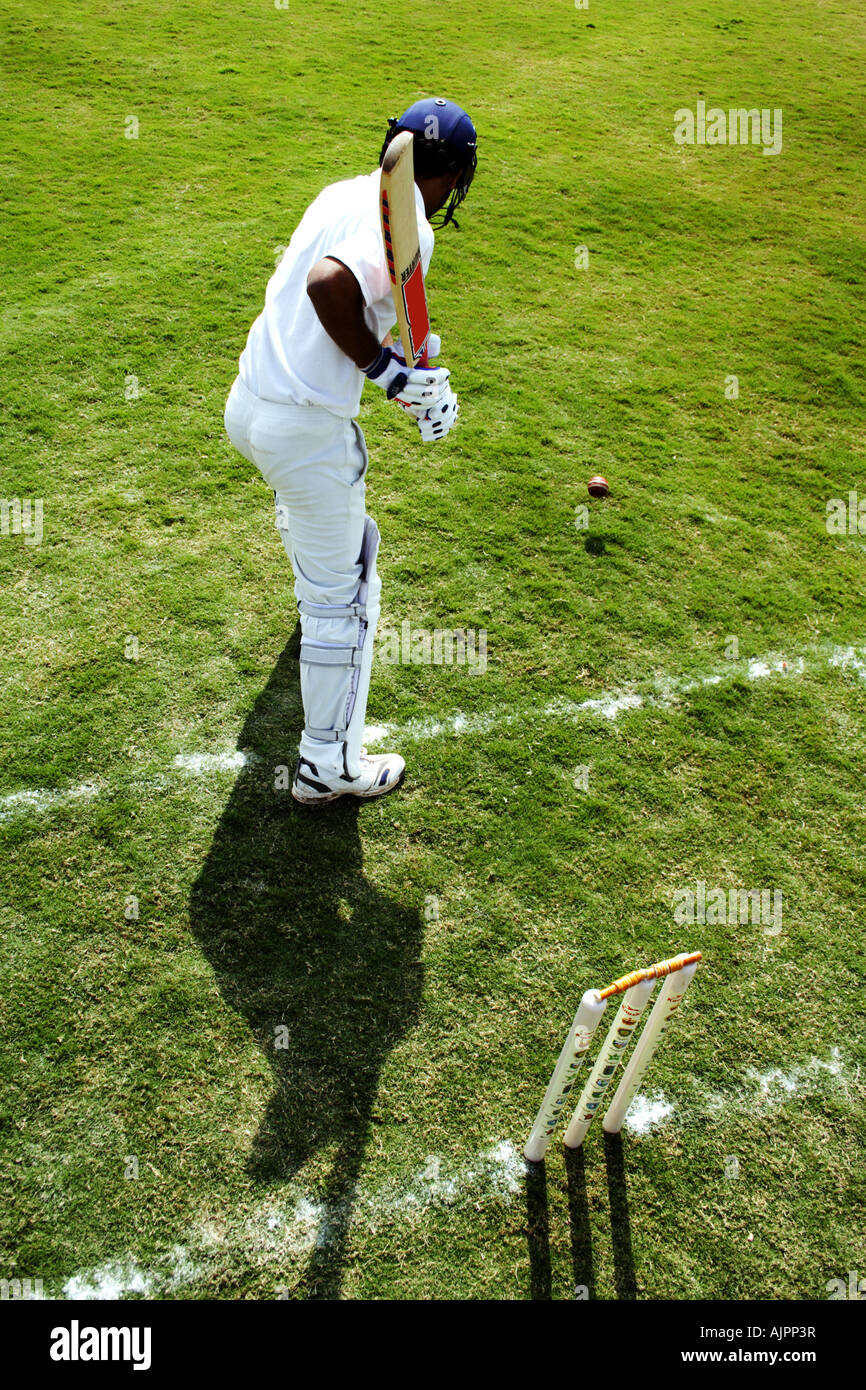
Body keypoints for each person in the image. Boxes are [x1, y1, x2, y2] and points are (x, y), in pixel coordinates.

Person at [224, 97, 477, 805]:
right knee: (347, 597)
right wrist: (393, 374)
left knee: (326, 550)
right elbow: (329, 286)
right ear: (453, 173)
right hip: (303, 432)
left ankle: (314, 593)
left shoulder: (344, 190)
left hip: (249, 405)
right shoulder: (412, 228)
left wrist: (412, 378)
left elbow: (358, 308)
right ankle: (327, 767)